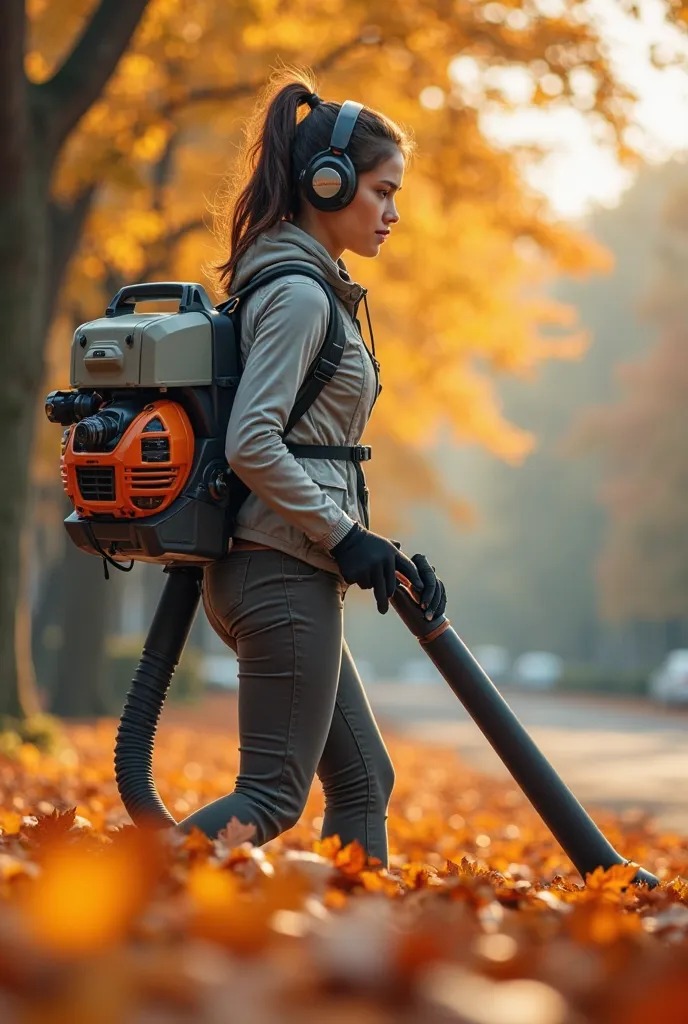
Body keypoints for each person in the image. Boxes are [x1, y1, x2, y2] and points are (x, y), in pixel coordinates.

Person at [175, 73, 446, 869]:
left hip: (283, 566)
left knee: (365, 781)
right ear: (326, 183)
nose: (393, 213)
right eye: (381, 191)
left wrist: (376, 548)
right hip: (279, 574)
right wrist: (343, 534)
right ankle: (103, 903)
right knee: (270, 798)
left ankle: (348, 968)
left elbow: (306, 444)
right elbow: (253, 445)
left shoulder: (298, 283)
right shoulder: (298, 295)